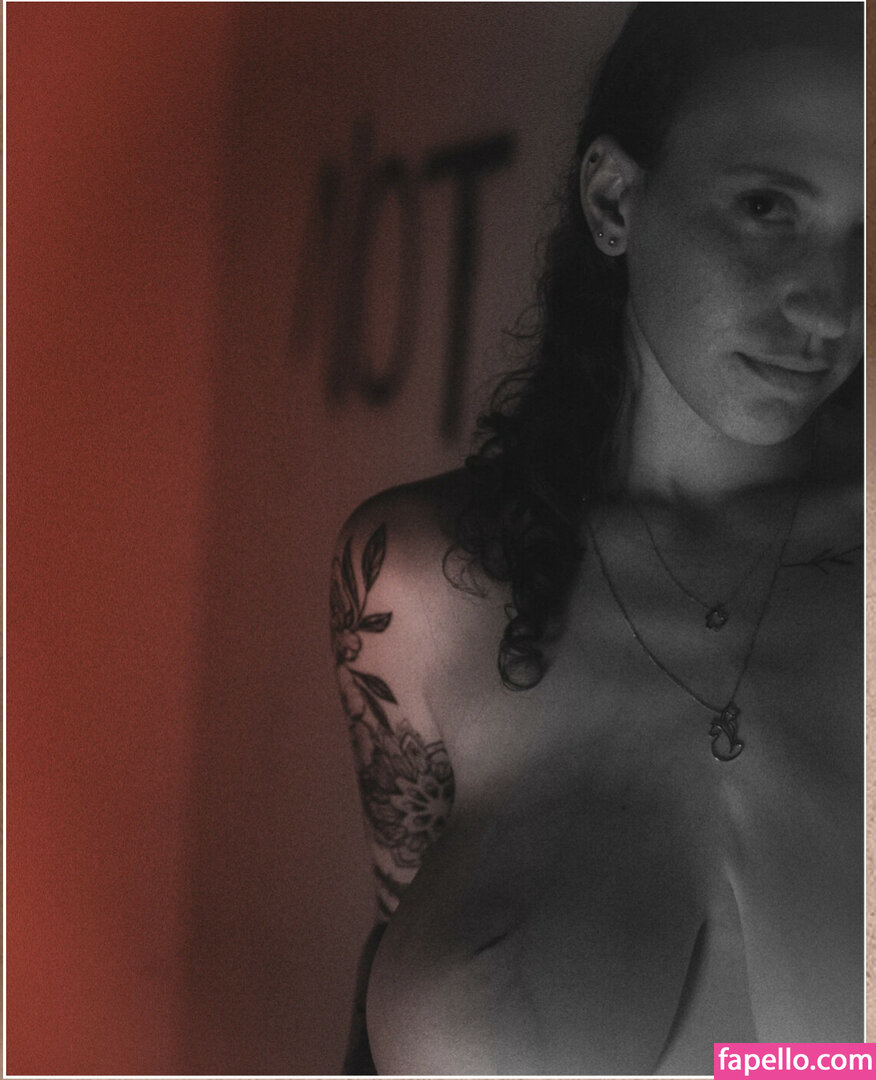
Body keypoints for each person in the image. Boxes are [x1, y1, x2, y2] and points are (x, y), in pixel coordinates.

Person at [329, 3, 864, 1073]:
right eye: (768, 207)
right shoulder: (422, 584)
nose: (830, 308)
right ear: (615, 198)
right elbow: (394, 937)